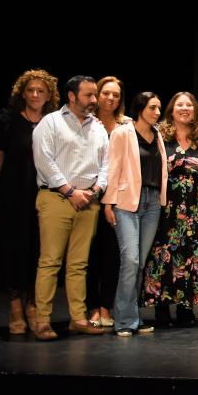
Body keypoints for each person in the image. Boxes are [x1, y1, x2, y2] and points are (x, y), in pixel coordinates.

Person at [31, 75, 109, 340]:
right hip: (56, 199)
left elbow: (106, 163)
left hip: (89, 201)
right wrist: (69, 190)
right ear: (72, 97)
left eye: (95, 95)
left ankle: (78, 318)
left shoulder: (97, 127)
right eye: (88, 95)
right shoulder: (50, 122)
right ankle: (42, 320)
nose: (94, 100)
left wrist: (96, 190)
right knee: (50, 262)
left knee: (79, 264)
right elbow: (44, 161)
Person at [0, 69, 58, 335]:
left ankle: (34, 306)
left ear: (49, 95)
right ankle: (16, 307)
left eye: (41, 91)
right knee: (14, 249)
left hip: (44, 194)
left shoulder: (54, 122)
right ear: (22, 93)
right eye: (30, 90)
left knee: (39, 250)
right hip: (14, 194)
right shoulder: (8, 120)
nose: (35, 95)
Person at [142, 92, 198, 328]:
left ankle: (186, 305)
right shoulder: (159, 136)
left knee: (190, 255)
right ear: (171, 110)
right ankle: (161, 305)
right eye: (179, 104)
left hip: (194, 209)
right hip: (165, 208)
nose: (184, 108)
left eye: (189, 105)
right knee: (162, 255)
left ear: (195, 110)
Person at [103, 92, 167, 337]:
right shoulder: (123, 133)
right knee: (129, 260)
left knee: (139, 262)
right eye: (153, 107)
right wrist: (108, 204)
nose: (157, 112)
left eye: (159, 108)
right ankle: (124, 320)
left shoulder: (157, 135)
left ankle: (133, 318)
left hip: (152, 203)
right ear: (140, 108)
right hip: (126, 201)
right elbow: (113, 168)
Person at [86, 76, 125, 329]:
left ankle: (105, 306)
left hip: (117, 200)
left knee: (112, 255)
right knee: (89, 255)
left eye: (116, 95)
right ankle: (91, 307)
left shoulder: (126, 126)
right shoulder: (87, 123)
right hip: (88, 196)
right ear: (97, 95)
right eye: (106, 93)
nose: (110, 98)